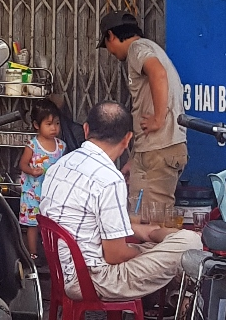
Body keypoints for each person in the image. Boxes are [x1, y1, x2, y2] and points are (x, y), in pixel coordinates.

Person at [39, 102, 201, 300]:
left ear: (86, 129)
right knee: (191, 242)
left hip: (64, 271)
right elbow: (115, 255)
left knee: (163, 246)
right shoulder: (109, 178)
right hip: (91, 279)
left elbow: (96, 226)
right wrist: (147, 254)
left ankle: (179, 298)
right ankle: (184, 301)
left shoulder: (60, 165)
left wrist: (154, 237)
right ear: (127, 139)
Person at [99, 11, 187, 215]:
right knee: (143, 218)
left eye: (106, 45)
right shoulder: (149, 48)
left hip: (159, 149)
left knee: (151, 222)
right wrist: (135, 159)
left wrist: (158, 119)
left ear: (111, 35)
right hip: (154, 149)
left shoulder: (137, 48)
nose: (110, 52)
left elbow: (158, 73)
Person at [18, 98, 66, 259]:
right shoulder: (32, 146)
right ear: (36, 125)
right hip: (33, 192)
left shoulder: (61, 146)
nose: (54, 128)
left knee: (51, 223)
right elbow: (22, 164)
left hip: (52, 194)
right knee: (33, 224)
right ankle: (33, 255)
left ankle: (50, 254)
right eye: (49, 124)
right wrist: (31, 171)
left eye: (57, 123)